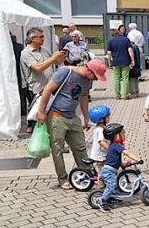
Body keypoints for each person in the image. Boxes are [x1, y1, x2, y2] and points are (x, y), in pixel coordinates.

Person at [36, 60, 107, 189]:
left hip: (73, 116)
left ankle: (88, 175)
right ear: (88, 70)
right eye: (95, 76)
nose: (95, 80)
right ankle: (62, 178)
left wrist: (86, 117)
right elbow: (48, 89)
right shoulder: (65, 72)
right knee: (58, 149)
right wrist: (41, 111)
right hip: (56, 115)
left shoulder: (88, 81)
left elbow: (84, 97)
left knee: (80, 147)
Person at [20, 28, 65, 131]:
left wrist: (61, 57)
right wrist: (53, 58)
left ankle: (47, 132)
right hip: (37, 88)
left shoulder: (43, 49)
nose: (43, 39)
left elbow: (55, 62)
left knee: (48, 113)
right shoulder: (26, 53)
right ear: (32, 39)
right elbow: (38, 68)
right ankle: (35, 134)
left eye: (43, 36)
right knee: (37, 114)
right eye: (40, 37)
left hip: (49, 86)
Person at [99, 123, 143, 212]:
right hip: (108, 171)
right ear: (116, 135)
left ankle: (110, 198)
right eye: (123, 133)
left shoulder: (113, 146)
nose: (125, 135)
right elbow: (127, 153)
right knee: (111, 186)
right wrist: (137, 159)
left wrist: (126, 164)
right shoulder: (116, 146)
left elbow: (117, 162)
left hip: (110, 170)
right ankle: (103, 201)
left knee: (112, 185)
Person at [107, 25, 135, 99]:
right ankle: (126, 95)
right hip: (125, 61)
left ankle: (117, 95)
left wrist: (109, 62)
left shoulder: (111, 41)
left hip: (115, 62)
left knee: (116, 78)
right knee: (125, 78)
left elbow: (109, 53)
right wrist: (132, 60)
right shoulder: (126, 40)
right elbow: (130, 50)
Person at [88, 105, 111, 179]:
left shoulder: (101, 128)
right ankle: (100, 187)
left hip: (102, 155)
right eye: (107, 116)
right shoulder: (100, 130)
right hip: (100, 157)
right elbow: (101, 142)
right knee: (102, 173)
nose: (109, 117)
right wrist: (110, 149)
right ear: (101, 119)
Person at [11, 33, 27, 116]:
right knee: (20, 91)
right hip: (17, 71)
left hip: (15, 71)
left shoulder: (7, 47)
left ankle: (21, 109)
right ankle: (22, 109)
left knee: (19, 91)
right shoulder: (19, 46)